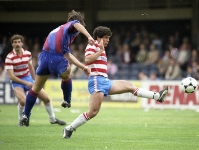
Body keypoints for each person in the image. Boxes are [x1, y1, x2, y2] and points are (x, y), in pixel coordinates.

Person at [62, 26, 169, 139]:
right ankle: (69, 129)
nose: (108, 40)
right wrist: (101, 51)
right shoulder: (92, 45)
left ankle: (158, 96)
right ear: (98, 37)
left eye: (108, 38)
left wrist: (102, 51)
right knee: (93, 112)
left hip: (105, 80)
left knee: (129, 86)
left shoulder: (101, 47)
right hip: (97, 80)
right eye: (106, 38)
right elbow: (87, 60)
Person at [20, 10, 95, 126]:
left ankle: (25, 115)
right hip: (56, 58)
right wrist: (89, 36)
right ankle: (66, 99)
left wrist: (83, 67)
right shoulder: (73, 24)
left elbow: (68, 55)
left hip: (44, 57)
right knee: (67, 72)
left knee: (35, 88)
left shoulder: (61, 32)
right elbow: (77, 24)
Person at [5, 34, 66, 126]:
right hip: (17, 81)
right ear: (12, 44)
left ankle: (52, 119)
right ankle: (21, 121)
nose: (17, 44)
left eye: (19, 42)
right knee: (23, 101)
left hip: (28, 79)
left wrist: (35, 80)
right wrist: (26, 83)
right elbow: (11, 76)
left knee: (46, 98)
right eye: (15, 42)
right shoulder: (9, 57)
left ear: (22, 43)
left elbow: (31, 68)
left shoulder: (27, 54)